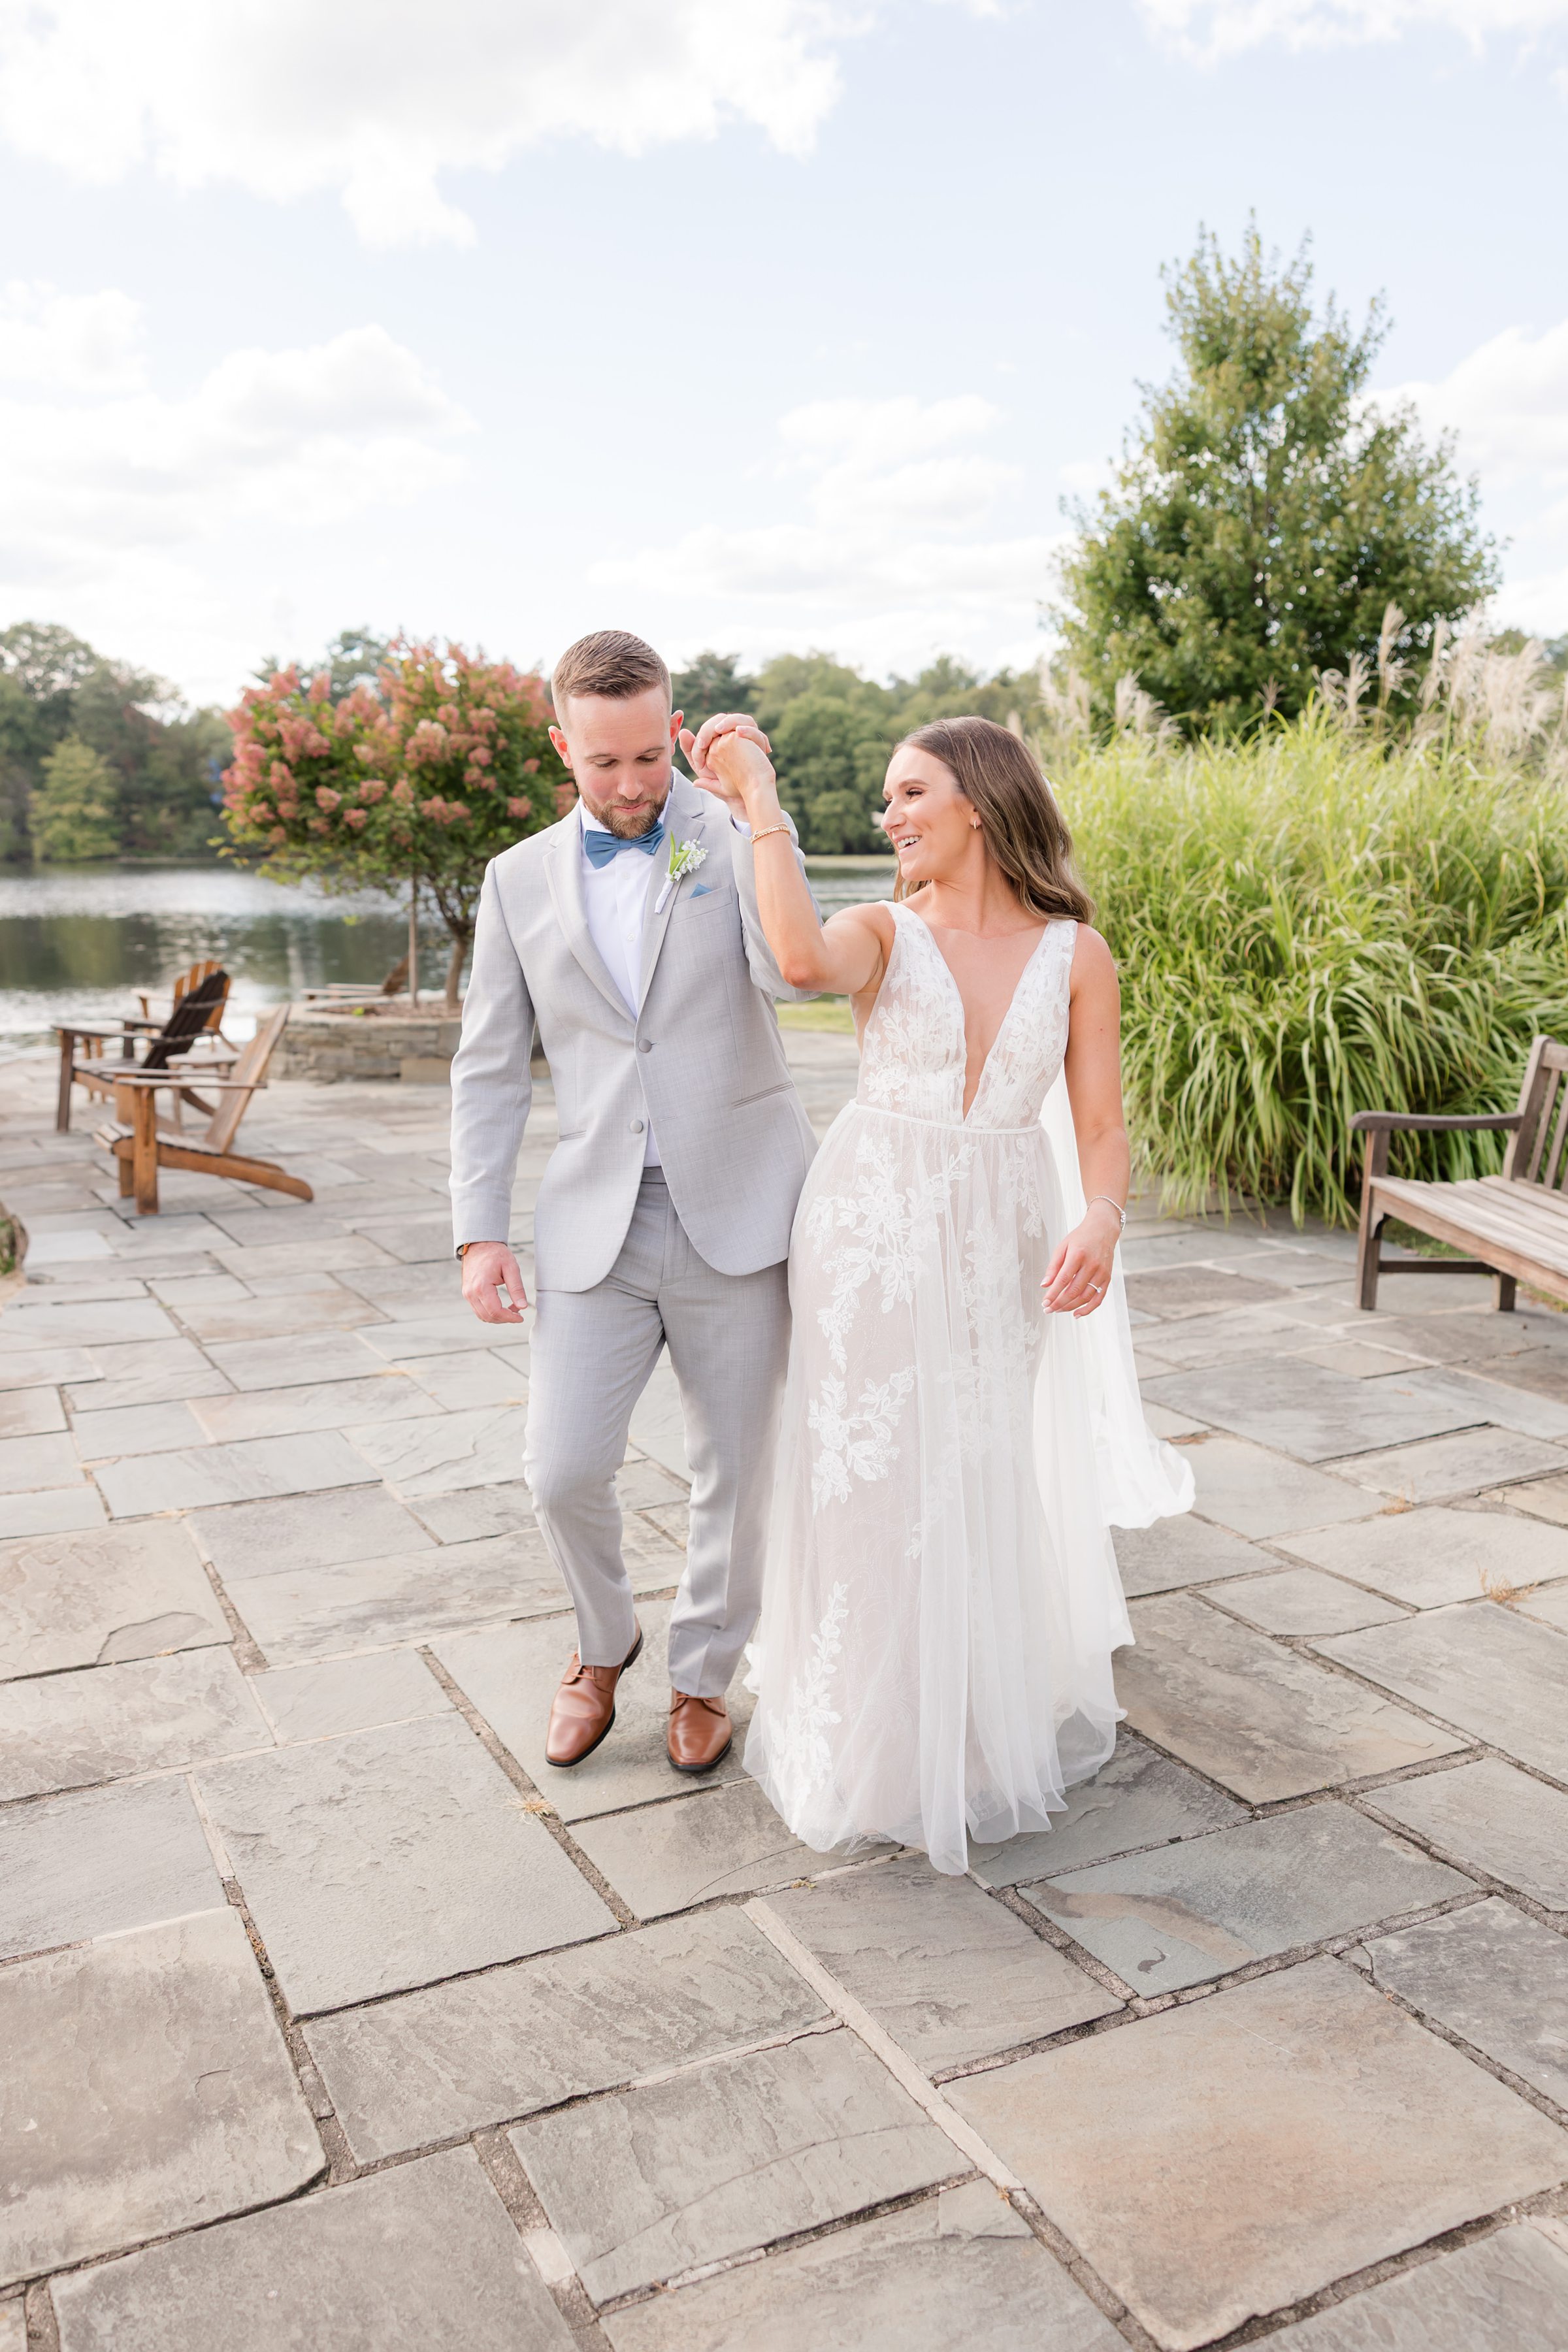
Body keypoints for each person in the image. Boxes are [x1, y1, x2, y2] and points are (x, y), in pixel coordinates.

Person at [696, 713, 1193, 1875]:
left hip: (1003, 1238)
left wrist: (1102, 1217)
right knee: (869, 1470)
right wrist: (758, 797)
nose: (893, 816)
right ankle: (867, 1738)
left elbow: (1103, 1127)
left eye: (911, 793)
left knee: (973, 1461)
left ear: (978, 799)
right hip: (869, 1229)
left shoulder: (1078, 954)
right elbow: (800, 963)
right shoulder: (881, 932)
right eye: (887, 799)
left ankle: (965, 1725)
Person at [449, 630, 816, 1774]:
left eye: (650, 756)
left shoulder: (731, 830)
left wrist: (757, 807)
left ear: (674, 729)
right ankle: (603, 1643)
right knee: (560, 1470)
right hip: (593, 1223)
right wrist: (477, 1231)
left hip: (741, 1207)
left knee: (737, 1472)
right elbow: (489, 1067)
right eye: (604, 762)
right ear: (564, 747)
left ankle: (704, 1673)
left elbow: (789, 971)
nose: (631, 784)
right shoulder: (515, 879)